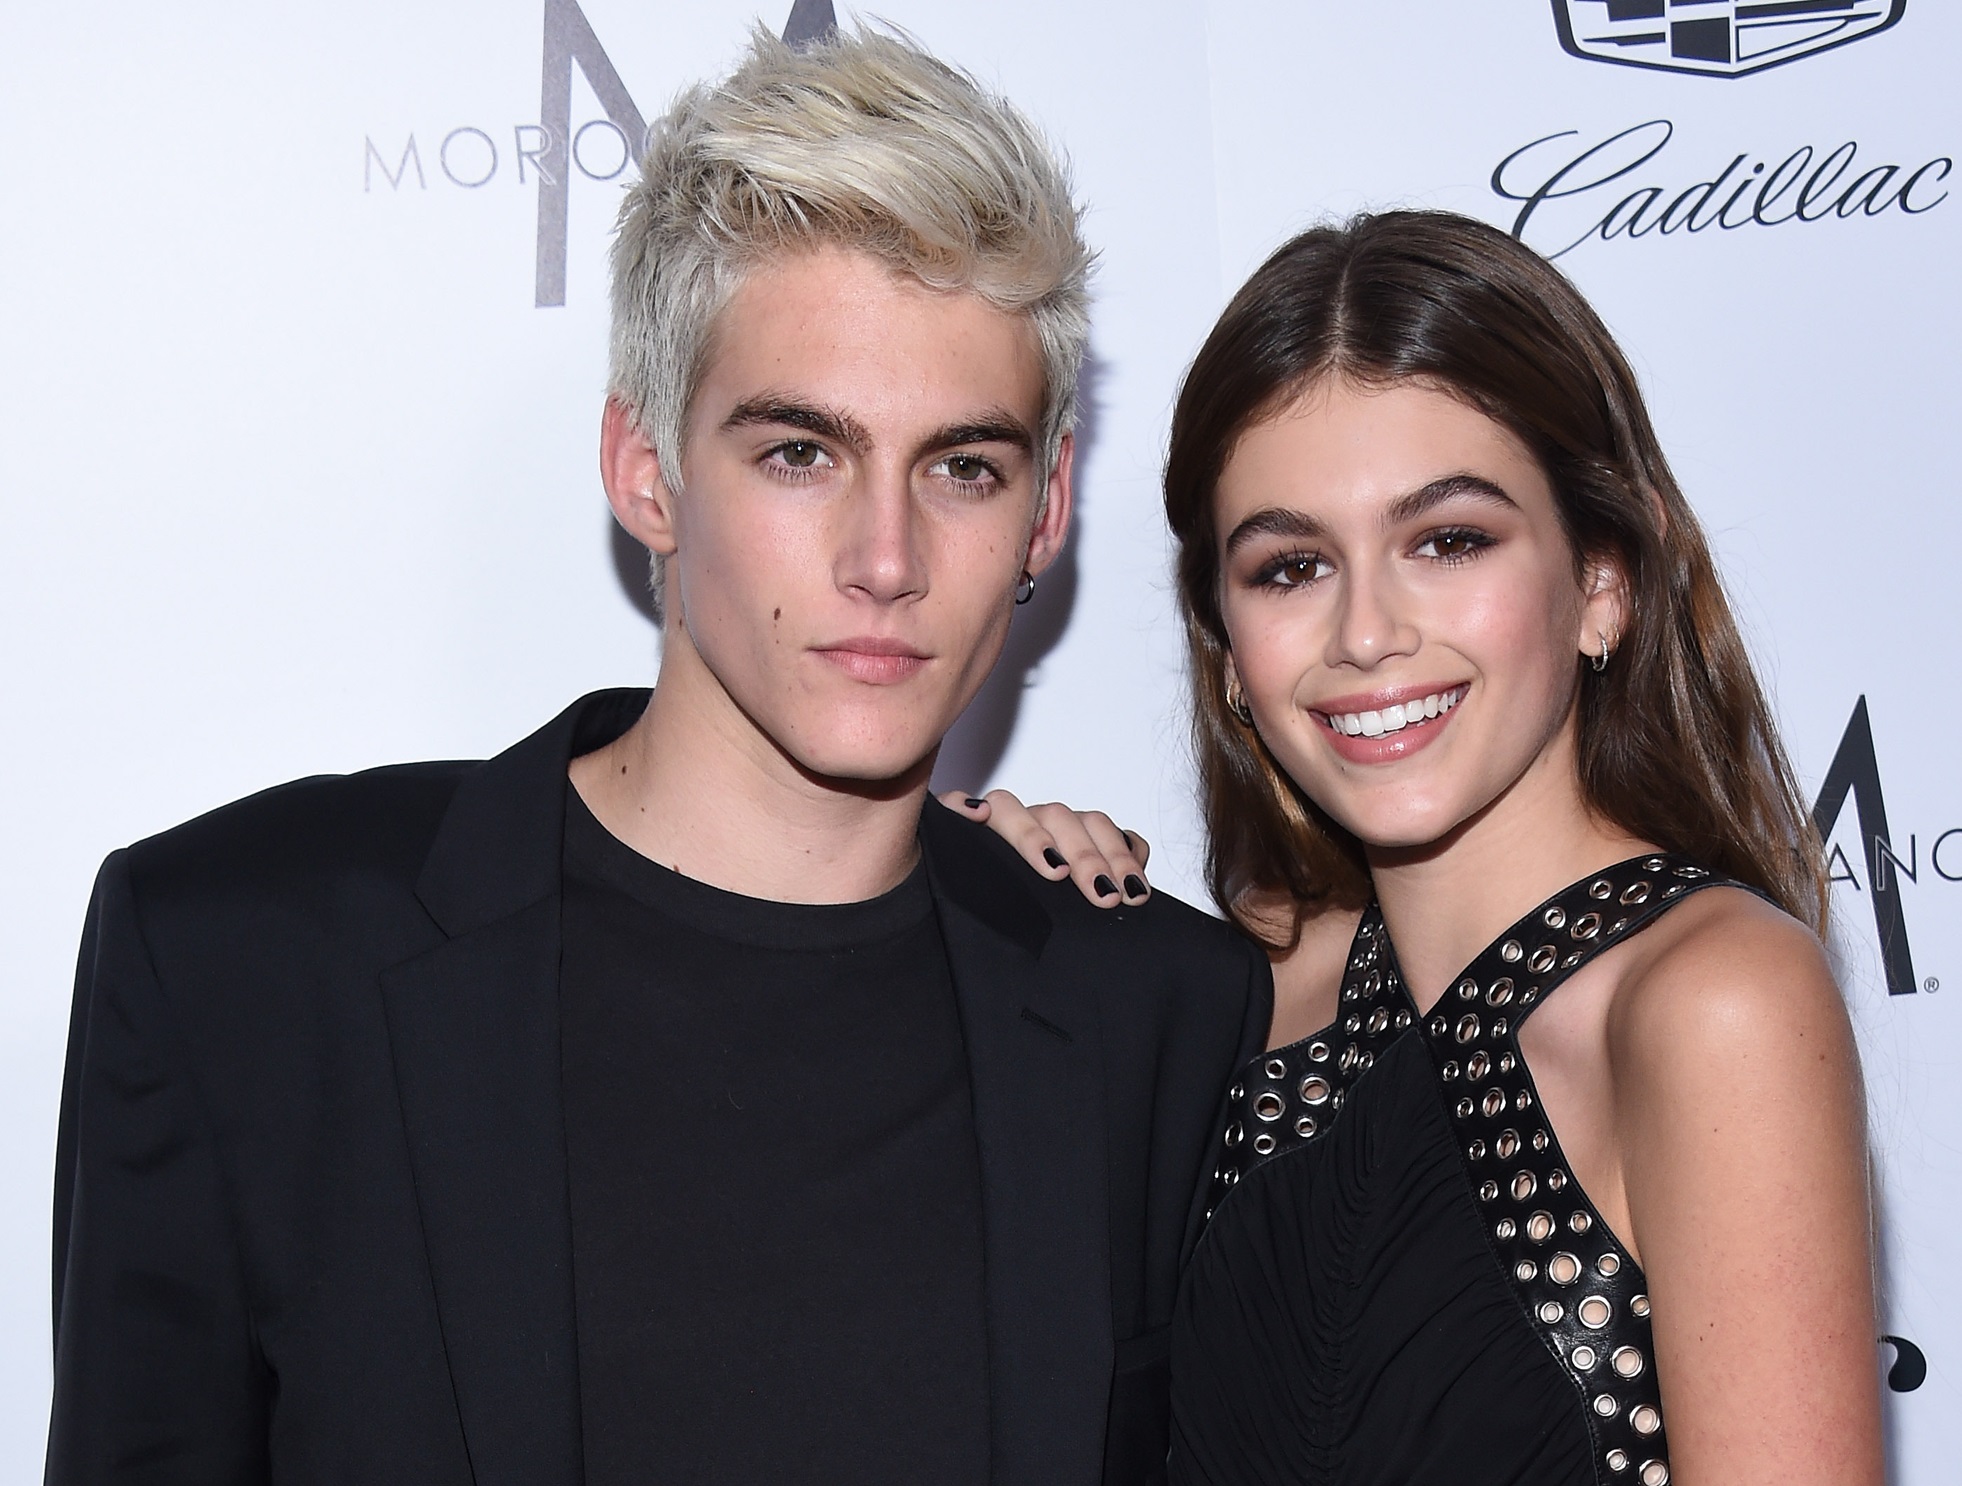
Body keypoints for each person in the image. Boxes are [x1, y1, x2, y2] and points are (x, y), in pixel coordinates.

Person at [45, 27, 1270, 1485]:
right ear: (646, 468)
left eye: (962, 465)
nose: (886, 559)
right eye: (798, 452)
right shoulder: (241, 961)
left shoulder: (1154, 1012)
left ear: (1046, 510)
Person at [956, 210, 1883, 1486]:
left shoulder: (1709, 1001)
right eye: (1291, 567)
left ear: (1604, 578)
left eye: (1447, 540)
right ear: (1227, 649)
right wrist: (963, 892)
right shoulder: (1241, 1001)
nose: (1369, 631)